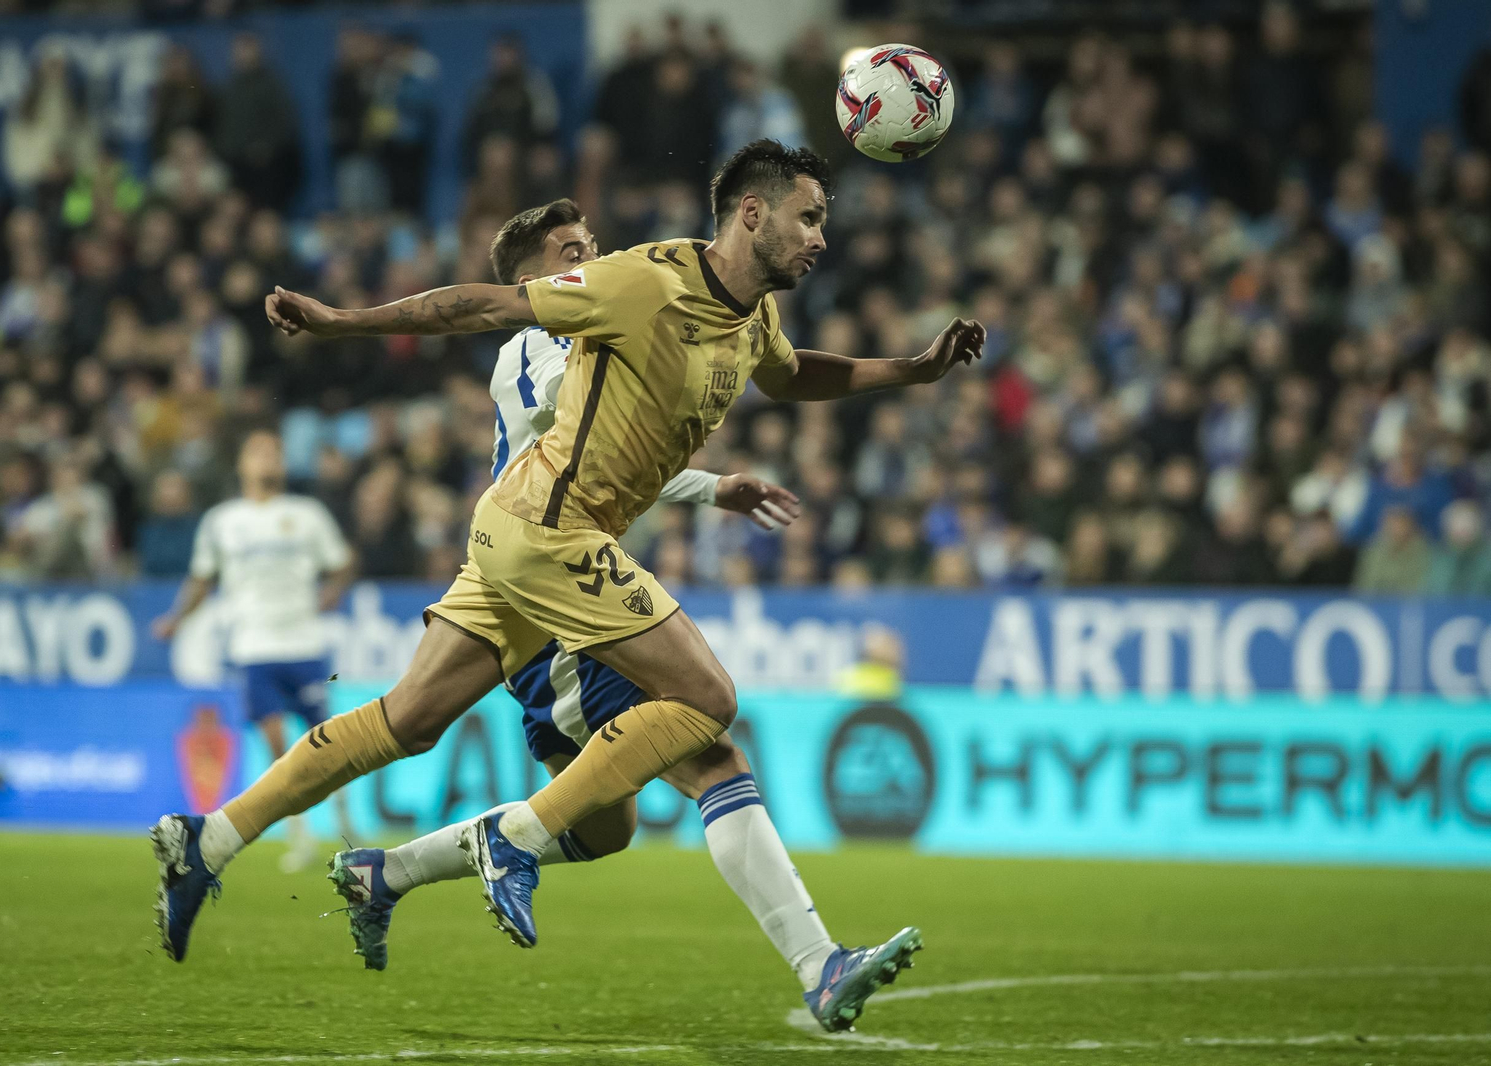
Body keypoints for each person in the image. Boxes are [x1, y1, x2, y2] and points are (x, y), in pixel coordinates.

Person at [159, 140, 982, 1031]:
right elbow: (474, 308)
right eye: (811, 216)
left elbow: (790, 376)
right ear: (754, 212)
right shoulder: (608, 302)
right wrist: (338, 322)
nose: (823, 236)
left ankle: (219, 839)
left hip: (515, 539)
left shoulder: (744, 316)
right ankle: (543, 855)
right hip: (551, 537)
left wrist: (913, 370)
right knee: (707, 710)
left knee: (424, 729)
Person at [323, 199, 868, 1024]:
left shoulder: (585, 336)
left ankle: (384, 873)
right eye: (573, 252)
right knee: (712, 749)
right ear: (536, 279)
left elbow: (624, 445)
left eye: (594, 247)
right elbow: (586, 434)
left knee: (611, 826)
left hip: (565, 583)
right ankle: (819, 964)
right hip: (555, 599)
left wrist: (713, 483)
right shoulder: (539, 347)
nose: (595, 259)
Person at [152, 430, 358, 872]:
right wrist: (174, 619)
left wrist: (332, 591)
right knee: (278, 748)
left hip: (304, 644)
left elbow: (342, 563)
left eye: (274, 452)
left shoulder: (306, 514)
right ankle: (300, 836)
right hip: (254, 648)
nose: (267, 459)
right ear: (243, 465)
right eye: (258, 451)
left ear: (282, 464)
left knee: (327, 742)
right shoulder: (223, 521)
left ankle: (346, 827)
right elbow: (202, 580)